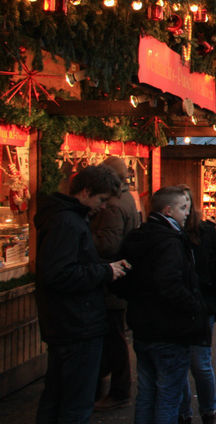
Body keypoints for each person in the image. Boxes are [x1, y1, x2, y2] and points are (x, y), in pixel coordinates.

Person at [35, 165, 128, 424]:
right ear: (86, 192)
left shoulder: (64, 218)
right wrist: (104, 272)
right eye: (102, 200)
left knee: (57, 397)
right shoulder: (68, 222)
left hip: (68, 323)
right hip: (77, 323)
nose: (104, 207)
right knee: (75, 403)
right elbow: (60, 275)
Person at [120, 186, 205, 424]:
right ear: (168, 211)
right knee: (168, 395)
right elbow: (170, 284)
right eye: (182, 207)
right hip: (169, 330)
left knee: (147, 393)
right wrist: (195, 306)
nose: (187, 213)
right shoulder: (169, 241)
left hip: (142, 328)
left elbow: (124, 278)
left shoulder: (138, 236)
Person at [90, 156, 141, 411]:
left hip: (110, 280)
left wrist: (83, 240)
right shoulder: (128, 198)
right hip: (120, 276)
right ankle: (109, 388)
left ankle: (117, 391)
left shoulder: (112, 205)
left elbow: (108, 244)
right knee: (115, 336)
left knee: (113, 338)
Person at [178, 185, 216, 424]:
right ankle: (184, 412)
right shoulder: (170, 233)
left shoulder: (205, 232)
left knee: (200, 363)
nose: (183, 210)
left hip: (202, 305)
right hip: (177, 308)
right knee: (180, 365)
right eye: (179, 206)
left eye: (185, 204)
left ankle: (208, 411)